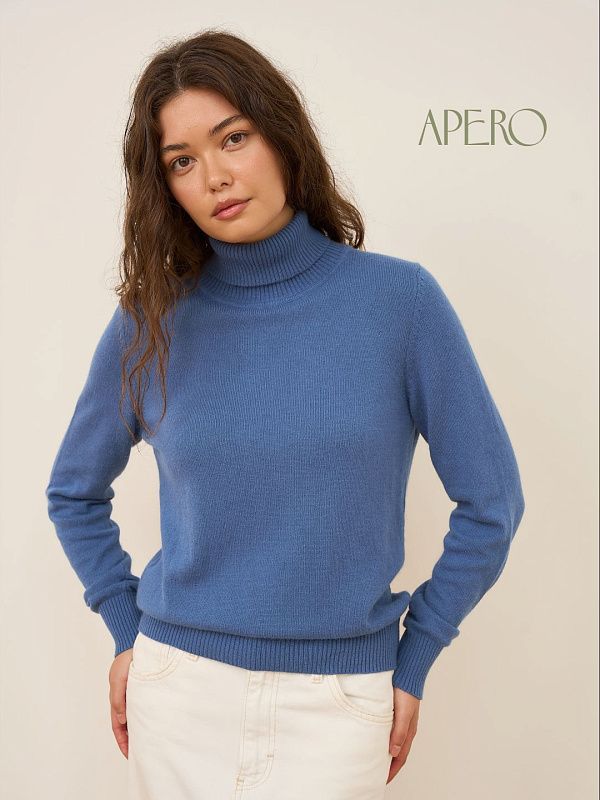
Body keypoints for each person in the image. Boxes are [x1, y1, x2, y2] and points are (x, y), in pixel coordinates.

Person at [44, 29, 526, 800]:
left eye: (233, 137)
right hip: (178, 693)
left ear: (281, 135)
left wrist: (418, 655)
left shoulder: (400, 304)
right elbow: (73, 492)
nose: (215, 176)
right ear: (164, 186)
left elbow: (492, 503)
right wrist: (125, 627)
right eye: (182, 161)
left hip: (339, 706)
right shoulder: (152, 320)